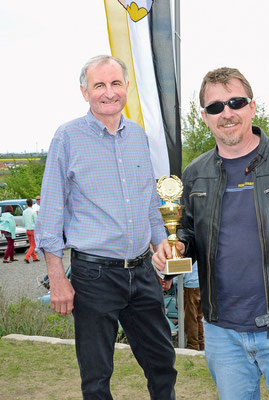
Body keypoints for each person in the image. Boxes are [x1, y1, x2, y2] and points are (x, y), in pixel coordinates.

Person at [153, 67, 269, 399]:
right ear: (204, 117)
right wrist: (174, 248)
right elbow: (189, 233)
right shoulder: (194, 174)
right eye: (215, 107)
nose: (227, 113)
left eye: (235, 102)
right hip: (222, 333)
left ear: (252, 107)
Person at [35, 55, 177, 399]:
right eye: (99, 85)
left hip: (143, 272)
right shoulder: (67, 137)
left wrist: (163, 247)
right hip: (93, 276)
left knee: (162, 364)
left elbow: (148, 202)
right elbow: (51, 213)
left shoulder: (139, 136)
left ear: (126, 88)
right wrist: (57, 279)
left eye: (115, 84)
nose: (109, 93)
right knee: (97, 376)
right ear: (85, 92)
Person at [183, 261, 204, 351]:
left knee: (190, 318)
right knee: (199, 317)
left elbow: (181, 272)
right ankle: (201, 343)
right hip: (201, 285)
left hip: (190, 286)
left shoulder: (188, 252)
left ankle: (193, 345)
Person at [22, 198, 39, 263]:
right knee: (33, 245)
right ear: (32, 203)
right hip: (33, 230)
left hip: (27, 230)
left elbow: (23, 221)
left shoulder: (24, 212)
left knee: (31, 244)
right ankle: (27, 257)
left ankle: (34, 258)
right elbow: (36, 221)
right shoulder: (33, 212)